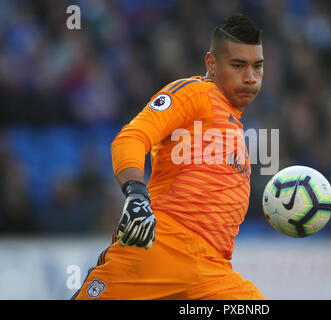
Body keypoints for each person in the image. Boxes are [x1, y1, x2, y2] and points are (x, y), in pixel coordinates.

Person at [72, 14, 265, 300]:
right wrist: (137, 194)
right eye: (238, 66)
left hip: (213, 271)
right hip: (158, 250)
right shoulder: (195, 93)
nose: (250, 77)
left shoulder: (234, 127)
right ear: (212, 64)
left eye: (257, 67)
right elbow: (131, 137)